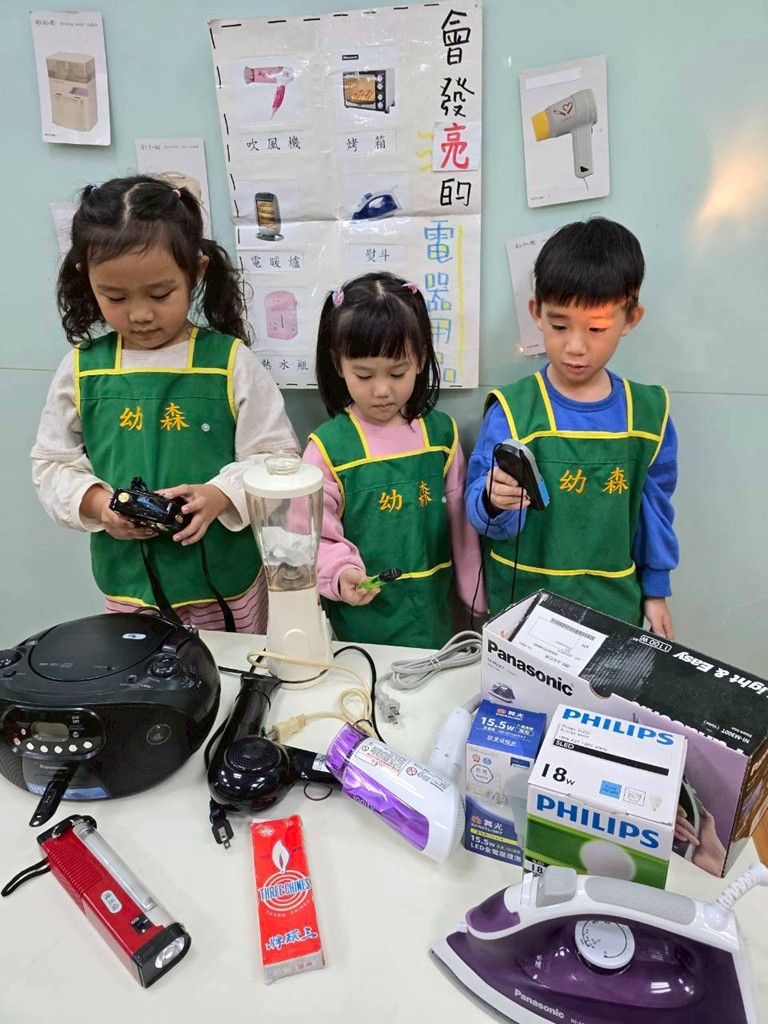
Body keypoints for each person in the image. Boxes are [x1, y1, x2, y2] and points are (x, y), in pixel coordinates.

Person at [32, 175, 297, 632]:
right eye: (115, 296)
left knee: (233, 667)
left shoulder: (230, 362)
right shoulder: (81, 368)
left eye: (160, 294)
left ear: (196, 272)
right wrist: (99, 504)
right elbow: (51, 464)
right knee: (142, 670)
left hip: (226, 581)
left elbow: (277, 458)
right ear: (86, 278)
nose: (140, 314)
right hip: (131, 585)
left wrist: (219, 496)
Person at [465, 217, 678, 637]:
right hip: (523, 608)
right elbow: (480, 514)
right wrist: (492, 500)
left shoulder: (648, 415)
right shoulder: (513, 410)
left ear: (630, 319)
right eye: (559, 326)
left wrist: (656, 591)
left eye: (596, 328)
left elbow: (655, 513)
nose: (576, 347)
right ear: (537, 313)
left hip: (612, 607)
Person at [303, 272, 484, 648]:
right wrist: (339, 573)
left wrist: (476, 598)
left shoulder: (441, 436)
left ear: (421, 359)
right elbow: (314, 535)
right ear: (338, 364)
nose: (382, 390)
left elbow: (463, 527)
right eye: (364, 374)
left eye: (397, 372)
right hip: (360, 623)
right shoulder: (328, 448)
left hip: (432, 614)